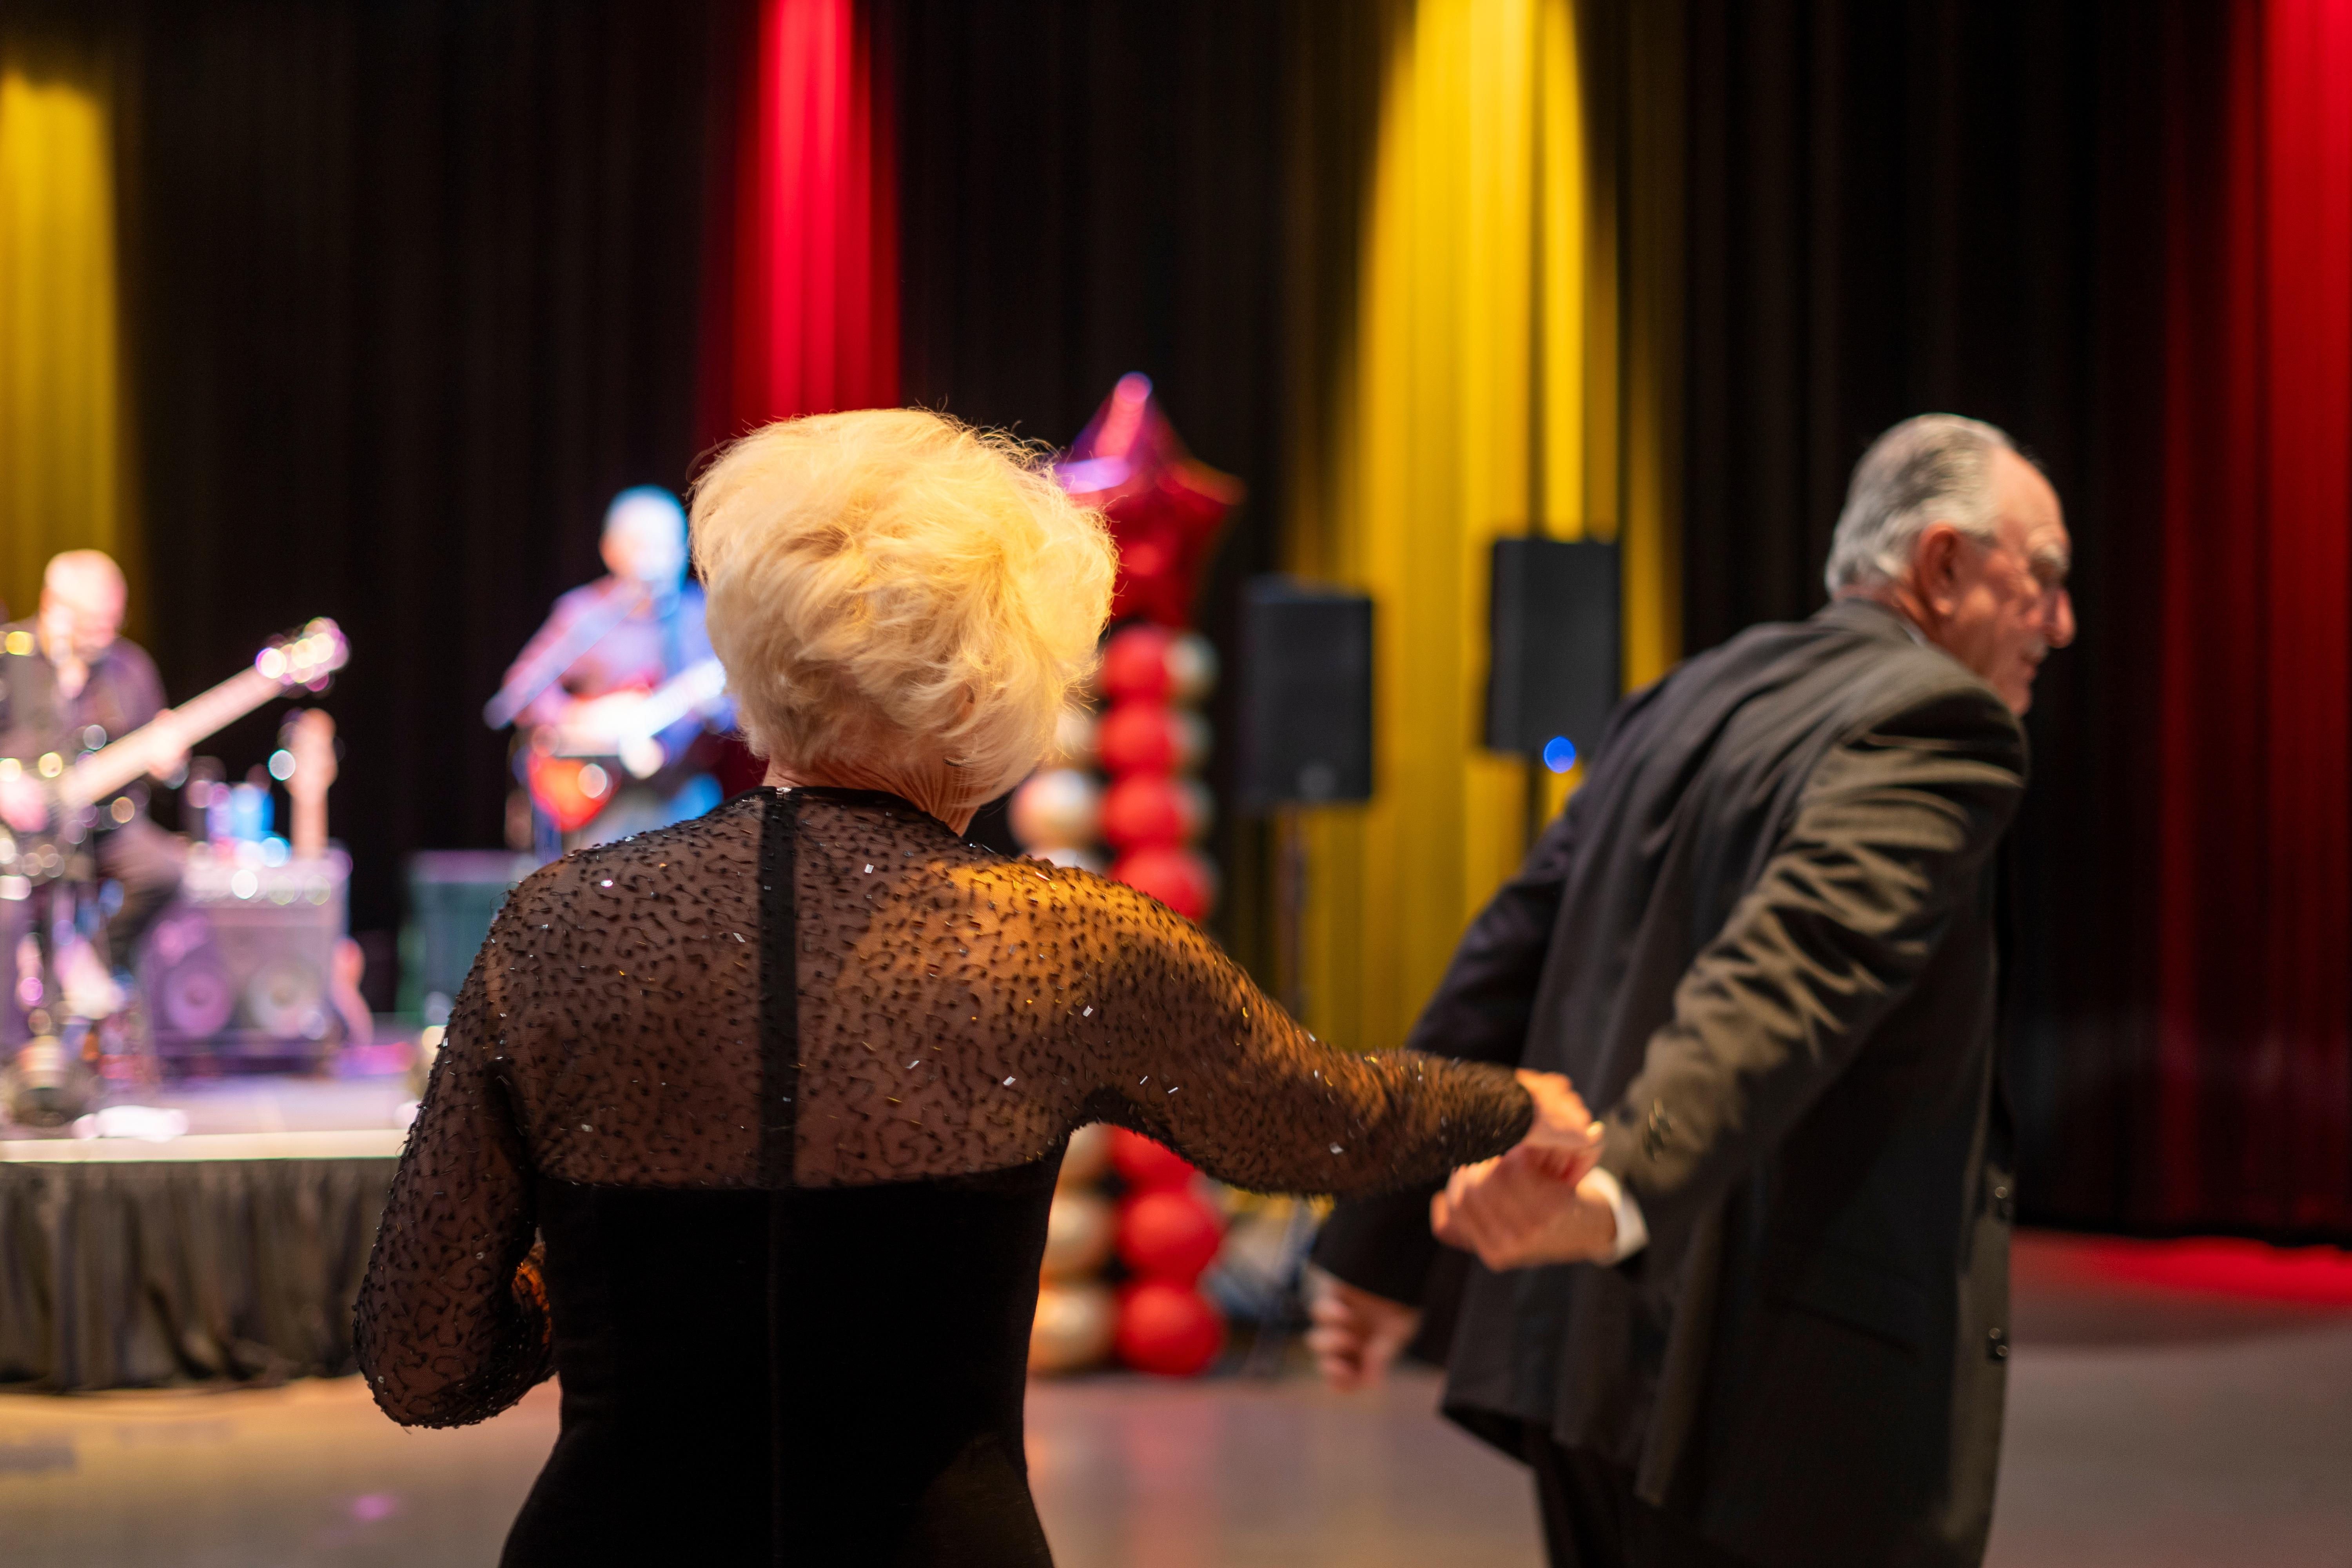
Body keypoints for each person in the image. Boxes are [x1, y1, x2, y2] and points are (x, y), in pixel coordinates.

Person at [355, 408, 1604, 1566]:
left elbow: (421, 1364)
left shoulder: (559, 926)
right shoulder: (1060, 942)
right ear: (990, 685)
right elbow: (1330, 1118)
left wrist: (594, 1300)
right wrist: (1514, 1105)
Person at [1308, 414, 2074, 1568]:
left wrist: (1374, 1242)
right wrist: (1614, 1180)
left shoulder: (1683, 694)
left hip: (1588, 1366)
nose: (2060, 623)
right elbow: (1788, 974)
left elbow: (1501, 955)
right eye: (2045, 576)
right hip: (1777, 1412)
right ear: (1942, 563)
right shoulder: (1940, 722)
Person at [493, 486, 731, 855]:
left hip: (682, 796)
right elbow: (522, 690)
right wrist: (583, 718)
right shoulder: (584, 615)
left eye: (667, 543)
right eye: (642, 544)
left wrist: (717, 710)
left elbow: (740, 713)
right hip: (599, 796)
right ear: (610, 550)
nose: (656, 556)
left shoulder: (704, 617)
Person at [0, 550, 186, 997]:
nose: (103, 634)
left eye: (111, 622)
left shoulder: (130, 668)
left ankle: (89, 959)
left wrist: (170, 764)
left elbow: (163, 769)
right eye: (90, 621)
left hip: (101, 826)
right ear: (51, 603)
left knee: (165, 871)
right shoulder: (10, 654)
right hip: (13, 827)